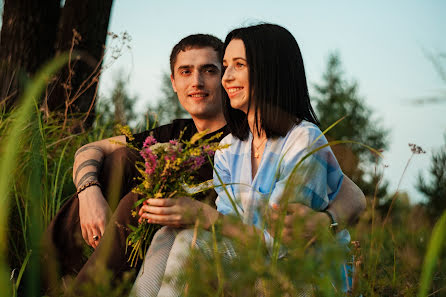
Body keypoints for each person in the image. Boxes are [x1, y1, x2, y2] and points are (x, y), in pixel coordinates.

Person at [43, 32, 364, 295]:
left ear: (267, 71)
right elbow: (91, 149)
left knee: (164, 219)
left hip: (281, 261)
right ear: (173, 81)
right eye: (186, 71)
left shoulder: (295, 138)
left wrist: (328, 220)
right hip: (223, 236)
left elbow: (348, 193)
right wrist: (89, 193)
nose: (205, 80)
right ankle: (38, 279)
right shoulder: (211, 141)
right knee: (124, 168)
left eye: (213, 69)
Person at [132, 24, 362, 297]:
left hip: (301, 277)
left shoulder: (303, 140)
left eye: (239, 65)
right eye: (226, 66)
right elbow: (231, 231)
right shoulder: (231, 147)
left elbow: (281, 246)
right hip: (251, 264)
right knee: (168, 234)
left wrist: (204, 217)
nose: (226, 77)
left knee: (195, 241)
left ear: (271, 70)